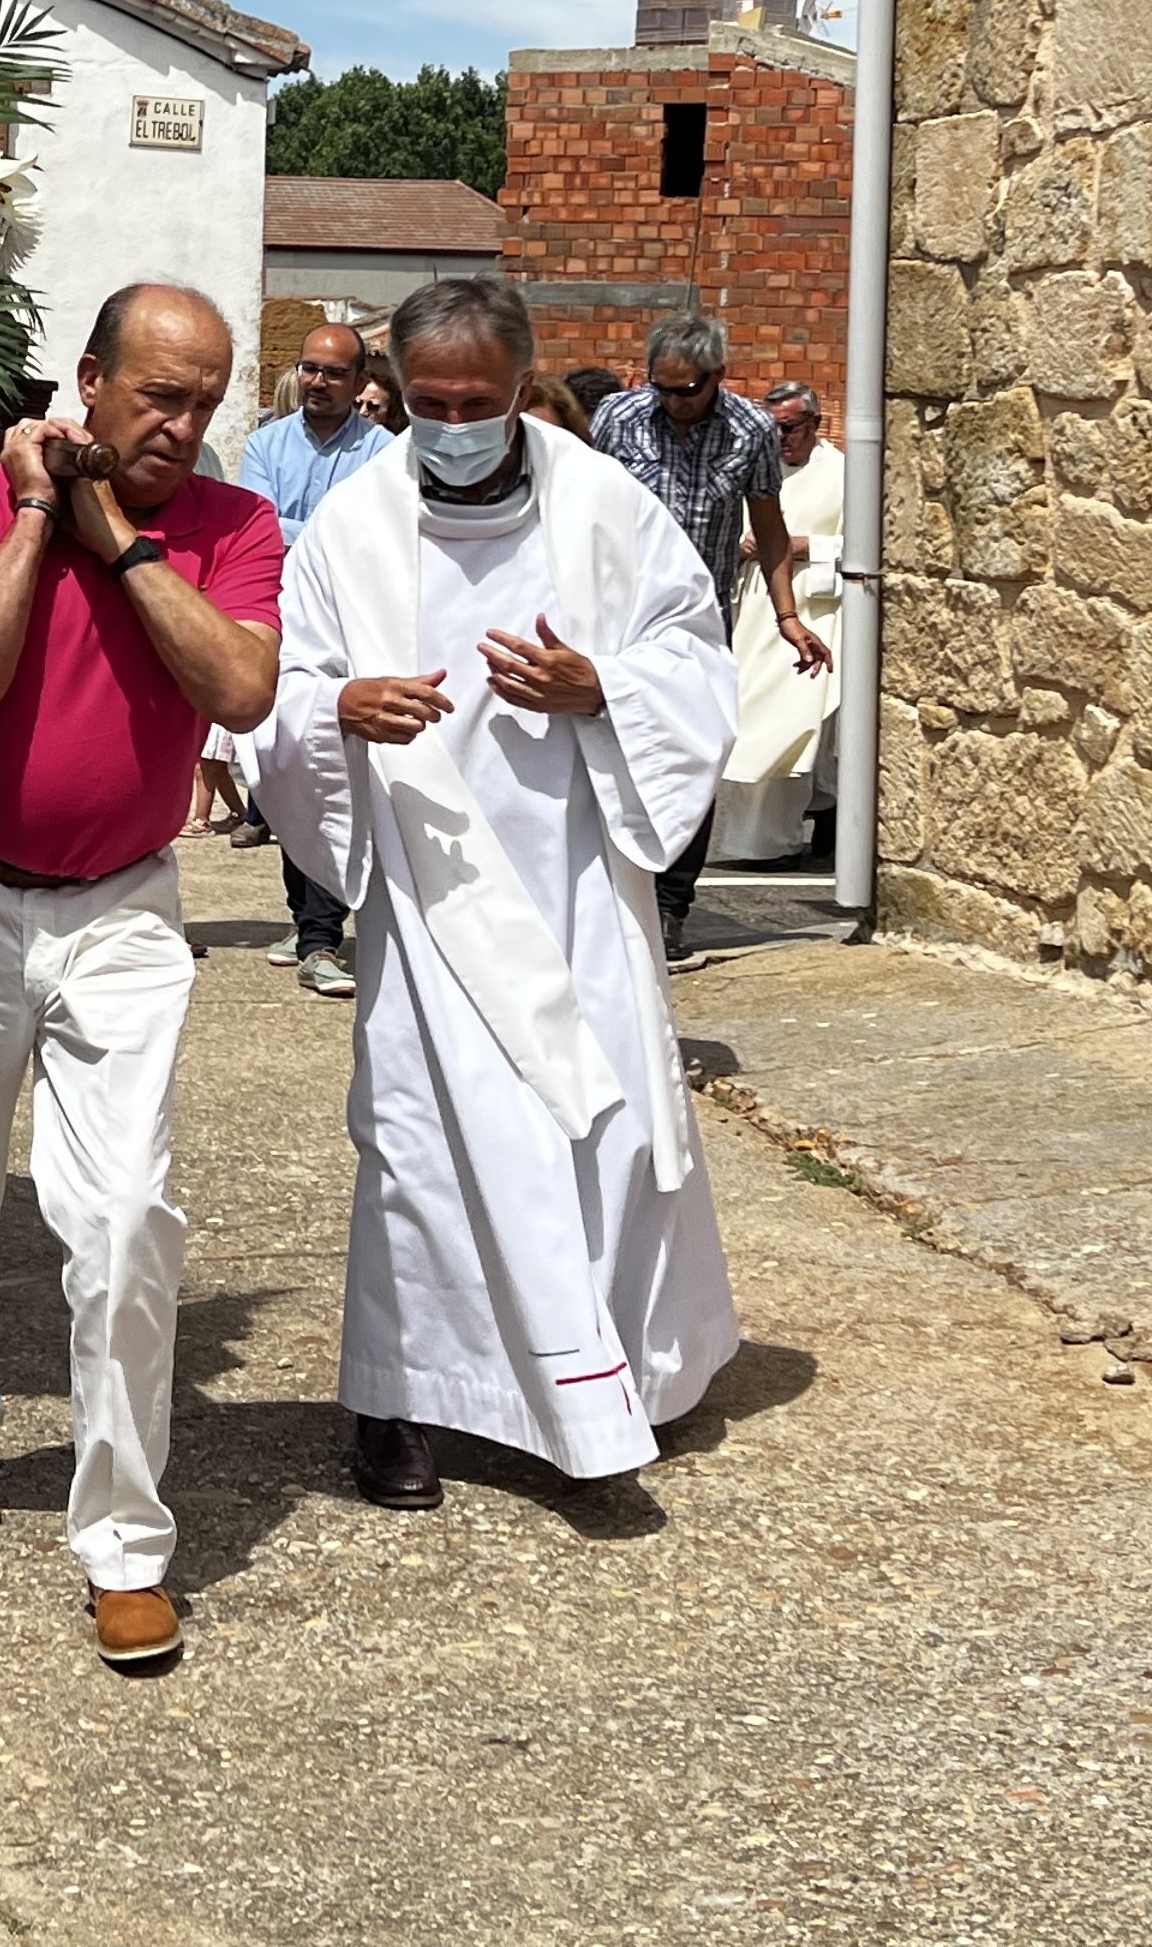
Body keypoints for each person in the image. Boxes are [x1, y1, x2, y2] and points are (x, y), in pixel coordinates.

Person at [250, 274, 742, 1513]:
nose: (454, 421)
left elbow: (691, 655)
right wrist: (339, 715)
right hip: (428, 882)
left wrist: (603, 691)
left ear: (524, 388)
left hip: (576, 872)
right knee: (420, 1150)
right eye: (428, 403)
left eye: (478, 400)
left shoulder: (605, 508)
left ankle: (603, 1384)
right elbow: (277, 695)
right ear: (393, 394)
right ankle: (401, 1400)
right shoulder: (354, 525)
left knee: (606, 1135)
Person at [0, 283, 283, 1674]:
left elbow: (237, 690)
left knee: (123, 1215)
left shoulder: (234, 527)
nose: (183, 423)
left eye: (207, 397)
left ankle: (125, 1541)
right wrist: (47, 516)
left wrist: (120, 542)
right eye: (159, 395)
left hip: (122, 907)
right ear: (91, 383)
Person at [585, 313, 828, 957]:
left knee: (690, 756)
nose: (673, 403)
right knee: (609, 753)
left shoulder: (750, 431)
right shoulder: (618, 418)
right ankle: (606, 892)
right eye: (662, 388)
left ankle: (671, 907)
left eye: (686, 390)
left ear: (717, 378)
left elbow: (769, 529)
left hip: (696, 624)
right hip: (614, 620)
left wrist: (787, 617)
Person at [234, 323, 394, 1000]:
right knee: (287, 767)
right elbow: (258, 524)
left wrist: (318, 534)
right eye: (310, 369)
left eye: (334, 372)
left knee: (341, 770)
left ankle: (321, 935)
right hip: (279, 624)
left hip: (357, 627)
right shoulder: (265, 444)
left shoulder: (387, 453)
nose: (319, 382)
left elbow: (377, 535)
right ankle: (308, 922)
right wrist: (330, 529)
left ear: (362, 384)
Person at [711, 381, 849, 866]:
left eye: (788, 429)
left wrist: (806, 546)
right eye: (770, 431)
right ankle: (760, 837)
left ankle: (792, 830)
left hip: (817, 612)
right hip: (755, 609)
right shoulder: (753, 467)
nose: (779, 440)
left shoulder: (846, 474)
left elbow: (870, 546)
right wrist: (742, 546)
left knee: (797, 724)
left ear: (816, 423)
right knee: (754, 722)